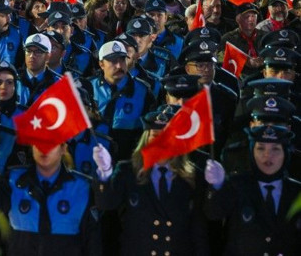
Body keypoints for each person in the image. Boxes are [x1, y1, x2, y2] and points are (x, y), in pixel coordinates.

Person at [92, 105, 211, 256]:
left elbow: (198, 231)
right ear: (146, 139)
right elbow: (107, 203)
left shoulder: (192, 177)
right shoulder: (128, 172)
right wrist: (105, 171)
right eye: (155, 135)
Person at [0, 138, 101, 255]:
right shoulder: (13, 180)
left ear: (63, 148)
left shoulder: (81, 187)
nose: (44, 149)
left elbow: (93, 241)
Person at [204, 125, 301, 255]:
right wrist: (217, 186)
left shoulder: (297, 191)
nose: (267, 155)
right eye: (260, 148)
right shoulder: (236, 184)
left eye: (275, 149)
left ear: (285, 153)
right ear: (251, 151)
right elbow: (213, 213)